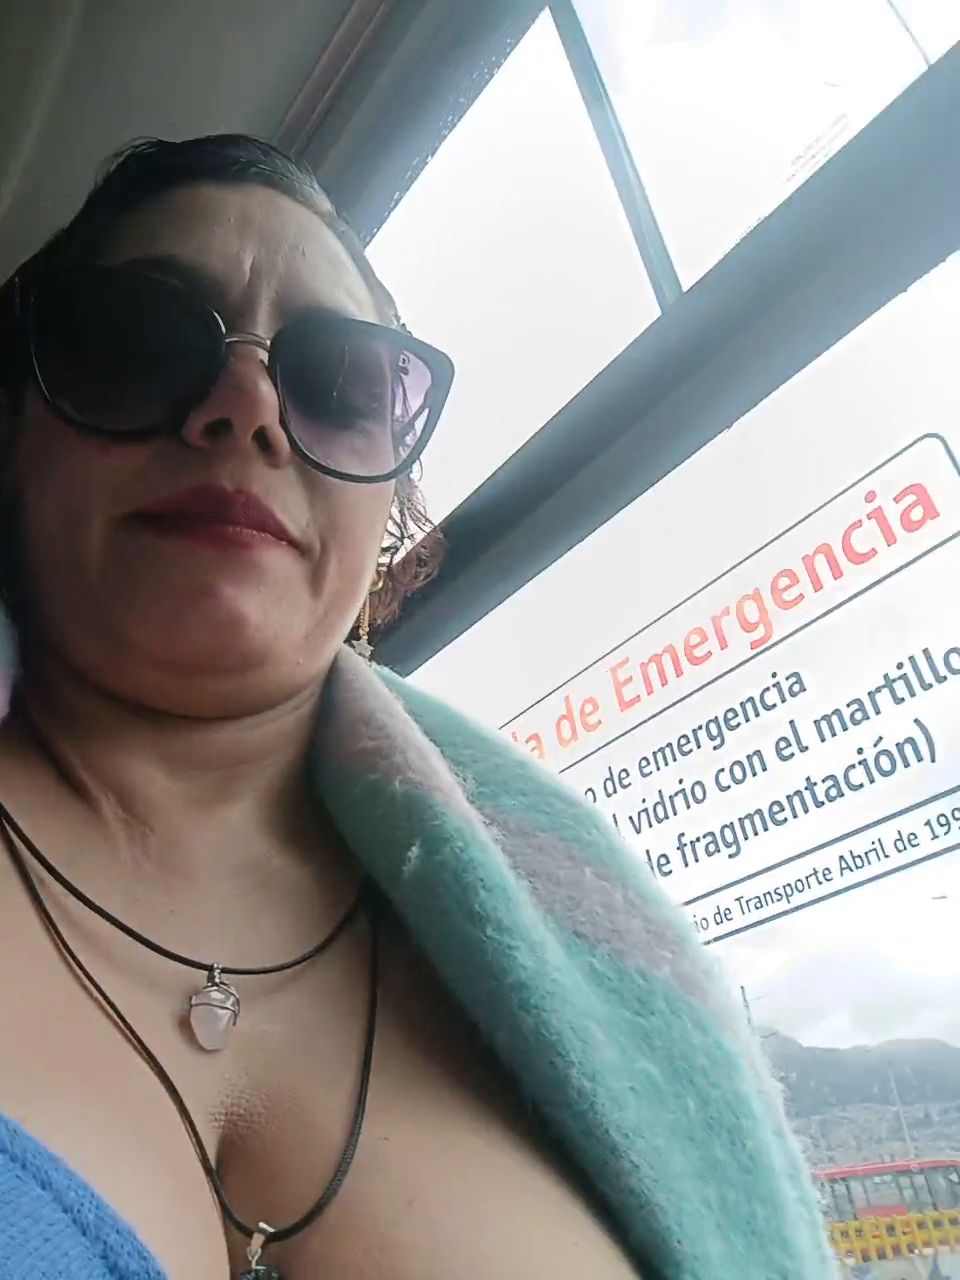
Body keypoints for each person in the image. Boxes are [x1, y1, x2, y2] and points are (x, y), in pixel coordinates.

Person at [0, 134, 838, 1280]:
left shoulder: (583, 968)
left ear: (387, 507)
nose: (247, 406)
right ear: (14, 427)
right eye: (140, 341)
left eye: (342, 382)